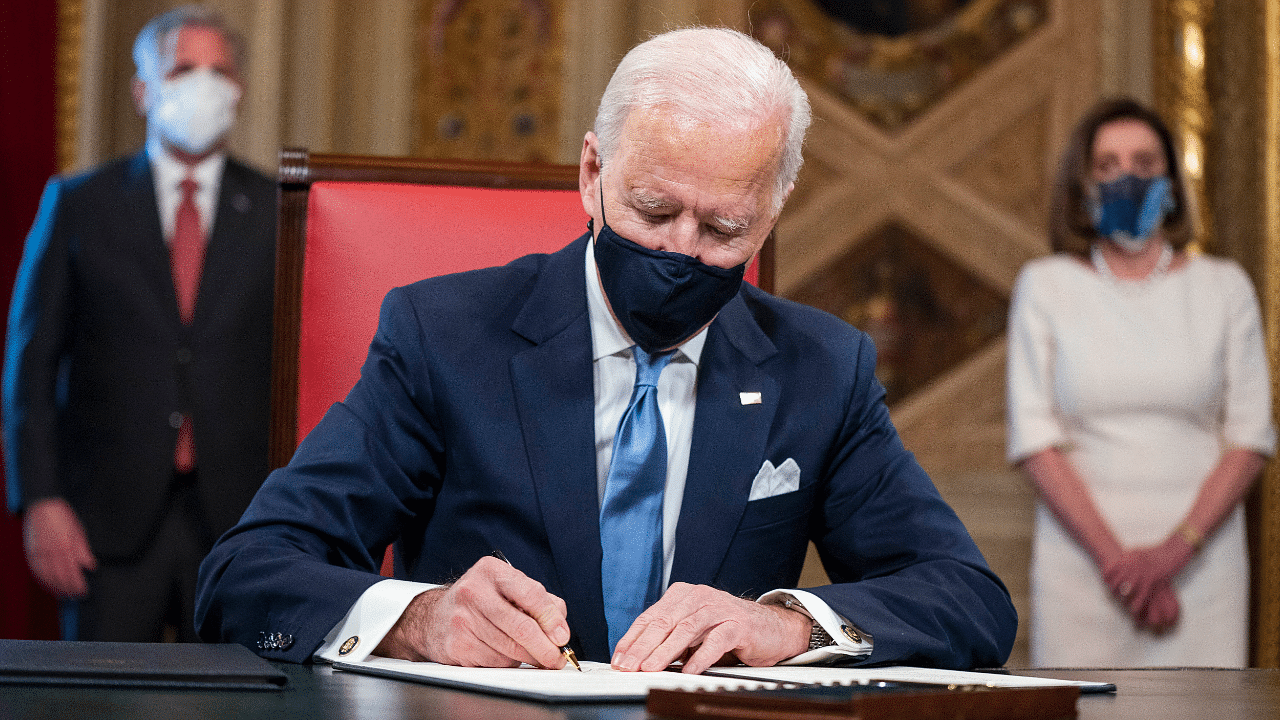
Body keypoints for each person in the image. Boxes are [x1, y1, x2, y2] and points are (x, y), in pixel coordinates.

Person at [196, 27, 1016, 673]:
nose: (681, 252)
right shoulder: (444, 336)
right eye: (653, 211)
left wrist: (787, 623)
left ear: (773, 211)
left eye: (724, 228)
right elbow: (247, 572)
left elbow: (968, 600)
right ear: (592, 172)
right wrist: (420, 619)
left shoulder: (821, 370)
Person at [3, 5, 276, 642]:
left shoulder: (276, 212)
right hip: (107, 524)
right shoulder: (79, 204)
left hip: (241, 525)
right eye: (184, 69)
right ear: (142, 90)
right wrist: (40, 500)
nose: (205, 85)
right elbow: (31, 366)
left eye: (219, 71)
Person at [1006, 97, 1276, 667]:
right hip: (1082, 570)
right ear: (1082, 184)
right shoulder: (1046, 285)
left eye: (1144, 163)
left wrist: (1172, 556)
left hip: (1202, 569)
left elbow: (1250, 438)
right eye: (1107, 166)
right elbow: (1034, 440)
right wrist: (1120, 565)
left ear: (1172, 180)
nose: (1127, 178)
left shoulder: (1225, 287)